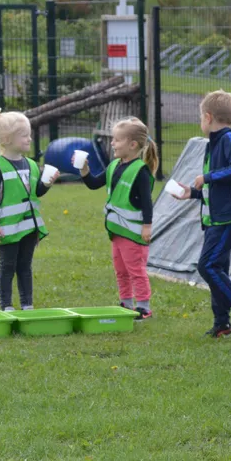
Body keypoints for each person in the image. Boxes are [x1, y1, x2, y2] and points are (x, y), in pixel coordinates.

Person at [171, 90, 231, 338]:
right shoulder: (213, 145)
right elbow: (218, 187)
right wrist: (192, 192)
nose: (200, 121)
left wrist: (207, 177)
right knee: (217, 267)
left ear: (208, 117)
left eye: (201, 117)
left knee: (208, 265)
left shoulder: (229, 140)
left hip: (229, 216)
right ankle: (221, 323)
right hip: (215, 217)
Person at [77, 117, 157, 320]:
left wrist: (147, 226)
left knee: (135, 271)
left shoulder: (141, 171)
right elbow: (94, 184)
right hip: (117, 233)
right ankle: (126, 303)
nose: (112, 143)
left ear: (132, 145)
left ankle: (143, 307)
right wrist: (85, 171)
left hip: (133, 234)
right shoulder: (113, 165)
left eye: (117, 140)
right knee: (120, 271)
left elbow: (147, 203)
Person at [0, 106, 58, 311]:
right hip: (7, 228)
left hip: (29, 228)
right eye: (24, 135)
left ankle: (27, 305)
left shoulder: (32, 165)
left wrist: (47, 184)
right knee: (7, 267)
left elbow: (36, 192)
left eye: (29, 135)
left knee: (25, 267)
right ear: (6, 140)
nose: (29, 139)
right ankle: (6, 305)